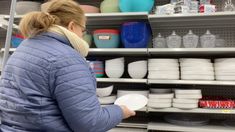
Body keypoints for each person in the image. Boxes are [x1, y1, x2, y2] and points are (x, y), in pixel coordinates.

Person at [0, 0, 135, 131]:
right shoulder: (68, 59)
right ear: (72, 26)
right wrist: (120, 111)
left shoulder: (24, 48)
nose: (83, 36)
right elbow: (90, 124)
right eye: (83, 30)